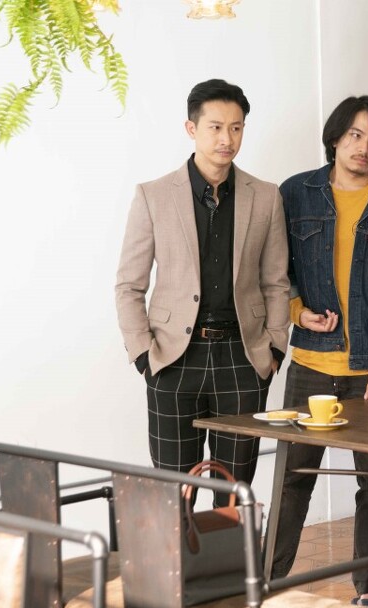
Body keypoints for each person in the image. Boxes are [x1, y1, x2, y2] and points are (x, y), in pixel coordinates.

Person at [268, 96, 368, 608]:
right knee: (292, 481)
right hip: (310, 365)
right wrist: (297, 312)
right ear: (335, 137)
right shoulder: (295, 194)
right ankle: (267, 581)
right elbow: (276, 272)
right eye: (356, 135)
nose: (365, 148)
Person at [114, 79, 290, 503]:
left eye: (236, 128)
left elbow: (276, 281)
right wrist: (144, 355)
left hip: (242, 359)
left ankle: (230, 552)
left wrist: (273, 350)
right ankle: (180, 553)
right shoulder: (153, 196)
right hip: (173, 359)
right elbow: (129, 285)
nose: (227, 139)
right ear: (191, 129)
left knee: (234, 493)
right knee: (175, 493)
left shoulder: (266, 197)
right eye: (215, 127)